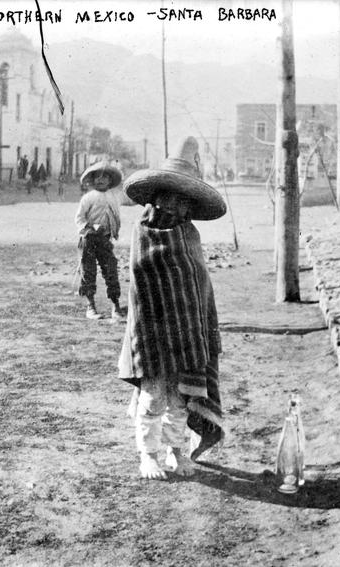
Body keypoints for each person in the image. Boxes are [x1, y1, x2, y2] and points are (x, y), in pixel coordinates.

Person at [119, 137, 226, 480]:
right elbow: (142, 279)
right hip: (151, 335)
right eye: (168, 198)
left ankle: (176, 453)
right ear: (154, 197)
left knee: (181, 400)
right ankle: (147, 455)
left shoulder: (189, 235)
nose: (174, 207)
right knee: (153, 399)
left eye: (183, 202)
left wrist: (197, 328)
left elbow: (198, 290)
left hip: (187, 338)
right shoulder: (142, 233)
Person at [74, 161, 125, 321]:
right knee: (88, 272)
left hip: (105, 240)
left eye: (105, 177)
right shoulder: (88, 198)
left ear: (110, 181)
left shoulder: (114, 197)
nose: (101, 180)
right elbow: (79, 218)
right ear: (92, 180)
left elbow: (128, 201)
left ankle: (116, 306)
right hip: (89, 239)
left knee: (110, 270)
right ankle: (91, 306)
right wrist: (92, 228)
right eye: (97, 177)